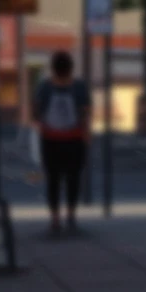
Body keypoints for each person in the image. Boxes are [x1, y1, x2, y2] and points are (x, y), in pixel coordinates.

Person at [33, 50, 91, 237]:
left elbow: (36, 112)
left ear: (53, 68)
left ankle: (55, 219)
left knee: (53, 180)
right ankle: (71, 217)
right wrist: (86, 134)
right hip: (74, 139)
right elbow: (85, 113)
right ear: (70, 68)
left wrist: (42, 125)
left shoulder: (44, 87)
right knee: (73, 179)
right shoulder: (79, 87)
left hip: (50, 139)